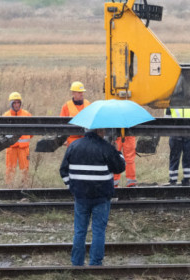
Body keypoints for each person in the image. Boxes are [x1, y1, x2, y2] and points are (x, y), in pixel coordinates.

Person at [59, 128, 125, 266]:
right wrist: (118, 151)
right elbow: (119, 167)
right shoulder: (106, 147)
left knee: (80, 231)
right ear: (100, 131)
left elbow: (63, 170)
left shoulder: (74, 145)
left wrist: (72, 188)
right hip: (101, 196)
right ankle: (95, 264)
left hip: (81, 196)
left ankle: (77, 263)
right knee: (98, 231)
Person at [3, 92, 33, 186]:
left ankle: (25, 188)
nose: (16, 105)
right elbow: (2, 132)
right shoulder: (6, 116)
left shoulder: (27, 114)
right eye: (14, 103)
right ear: (10, 104)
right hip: (11, 148)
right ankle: (9, 188)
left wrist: (26, 139)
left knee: (25, 169)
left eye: (18, 102)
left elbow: (33, 130)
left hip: (24, 148)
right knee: (10, 169)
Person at [166, 107, 190, 186]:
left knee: (185, 158)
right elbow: (166, 122)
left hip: (184, 136)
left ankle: (184, 180)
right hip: (180, 136)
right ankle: (174, 180)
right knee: (177, 158)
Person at [60, 81, 91, 147]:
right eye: (79, 92)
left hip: (87, 139)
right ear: (73, 93)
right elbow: (61, 124)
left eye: (82, 92)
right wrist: (63, 140)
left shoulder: (88, 104)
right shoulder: (66, 106)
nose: (82, 94)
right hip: (72, 141)